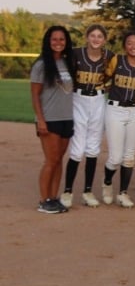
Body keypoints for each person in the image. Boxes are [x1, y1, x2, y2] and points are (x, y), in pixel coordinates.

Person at [60, 24, 112, 208]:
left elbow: (126, 64)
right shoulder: (75, 54)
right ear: (87, 37)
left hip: (98, 100)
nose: (96, 39)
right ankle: (67, 191)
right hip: (78, 99)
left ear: (104, 40)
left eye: (100, 36)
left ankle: (88, 191)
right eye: (93, 35)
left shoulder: (109, 57)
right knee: (77, 148)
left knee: (93, 147)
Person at [102, 31, 135, 208]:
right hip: (115, 109)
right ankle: (107, 182)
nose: (133, 46)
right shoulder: (117, 60)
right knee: (115, 158)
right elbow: (105, 77)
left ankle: (123, 193)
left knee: (129, 156)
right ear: (124, 46)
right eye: (130, 43)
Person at [31, 25, 76, 214]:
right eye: (54, 39)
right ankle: (44, 200)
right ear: (48, 42)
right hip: (50, 119)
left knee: (59, 160)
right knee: (50, 160)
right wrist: (40, 120)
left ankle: (53, 198)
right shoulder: (41, 65)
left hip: (67, 117)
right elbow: (35, 95)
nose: (58, 43)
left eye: (62, 39)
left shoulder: (67, 63)